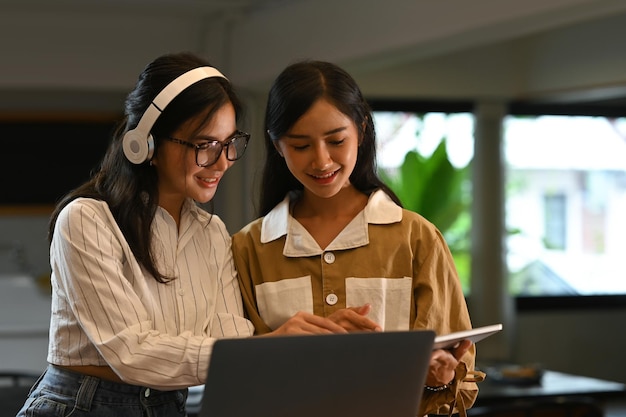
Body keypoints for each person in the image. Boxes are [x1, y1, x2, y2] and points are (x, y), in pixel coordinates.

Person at [231, 60, 485, 417]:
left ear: (362, 131)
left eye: (336, 140)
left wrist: (436, 377)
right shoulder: (248, 249)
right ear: (277, 145)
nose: (321, 161)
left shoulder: (416, 239)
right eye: (301, 145)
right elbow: (236, 380)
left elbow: (460, 384)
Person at [16, 52, 256, 417]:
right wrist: (255, 351)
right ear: (145, 144)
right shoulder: (86, 220)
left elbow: (232, 342)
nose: (222, 162)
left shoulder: (213, 233)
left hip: (166, 406)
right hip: (82, 405)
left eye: (229, 143)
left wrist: (252, 352)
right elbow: (131, 351)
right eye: (204, 145)